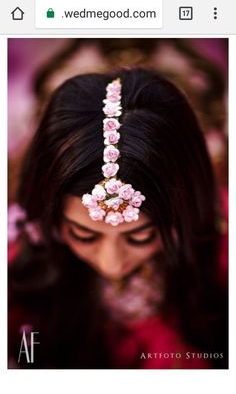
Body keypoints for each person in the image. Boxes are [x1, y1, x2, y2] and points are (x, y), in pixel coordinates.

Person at [8, 68, 228, 369]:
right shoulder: (17, 259)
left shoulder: (224, 250)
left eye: (141, 237)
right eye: (84, 235)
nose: (112, 264)